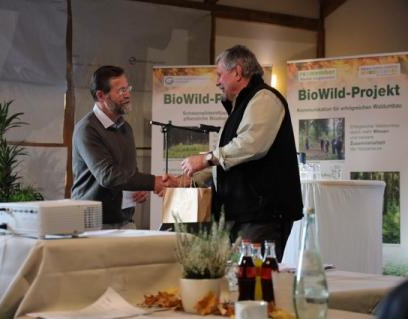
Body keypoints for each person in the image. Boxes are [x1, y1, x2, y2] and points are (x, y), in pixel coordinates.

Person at [180, 45, 303, 260]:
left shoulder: (264, 98)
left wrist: (207, 159)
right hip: (243, 215)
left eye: (220, 75)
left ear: (237, 72)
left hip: (262, 216)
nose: (217, 82)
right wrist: (185, 179)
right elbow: (230, 160)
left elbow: (250, 145)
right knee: (237, 284)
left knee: (254, 283)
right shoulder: (242, 105)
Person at [72, 65, 176, 229]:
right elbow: (108, 176)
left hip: (125, 221)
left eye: (127, 88)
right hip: (94, 225)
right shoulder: (87, 129)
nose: (127, 94)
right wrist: (152, 182)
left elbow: (128, 173)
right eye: (121, 91)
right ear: (101, 96)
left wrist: (137, 190)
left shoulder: (125, 127)